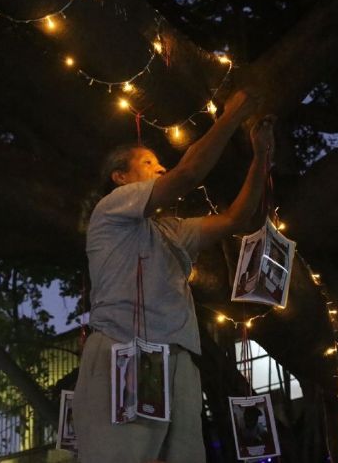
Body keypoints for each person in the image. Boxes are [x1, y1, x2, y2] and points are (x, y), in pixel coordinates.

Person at [73, 89, 274, 463]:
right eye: (148, 163)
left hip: (179, 357)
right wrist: (230, 117)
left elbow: (236, 219)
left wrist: (262, 157)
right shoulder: (112, 209)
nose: (160, 169)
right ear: (120, 177)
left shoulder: (172, 230)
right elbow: (188, 173)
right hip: (124, 345)